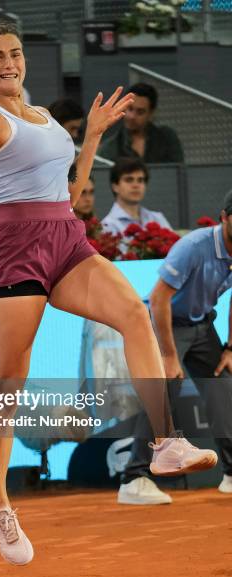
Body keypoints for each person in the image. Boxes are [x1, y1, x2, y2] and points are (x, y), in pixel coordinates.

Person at [0, 22, 217, 566]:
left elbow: (69, 190)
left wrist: (90, 136)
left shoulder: (43, 117)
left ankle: (165, 446)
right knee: (9, 380)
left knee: (134, 316)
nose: (8, 63)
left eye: (15, 53)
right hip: (17, 246)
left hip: (67, 238)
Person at [118, 192, 232, 505]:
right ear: (224, 217)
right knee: (163, 388)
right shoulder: (194, 247)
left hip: (202, 325)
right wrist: (169, 356)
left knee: (222, 385)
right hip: (165, 322)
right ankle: (134, 478)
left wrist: (230, 347)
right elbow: (158, 299)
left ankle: (231, 474)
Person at [99, 82, 184, 164]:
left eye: (140, 112)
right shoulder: (110, 148)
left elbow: (179, 172)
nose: (132, 116)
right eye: (130, 109)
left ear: (151, 114)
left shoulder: (166, 138)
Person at [102, 157, 172, 235]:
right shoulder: (107, 225)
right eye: (129, 180)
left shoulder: (157, 218)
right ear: (115, 187)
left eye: (140, 180)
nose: (136, 185)